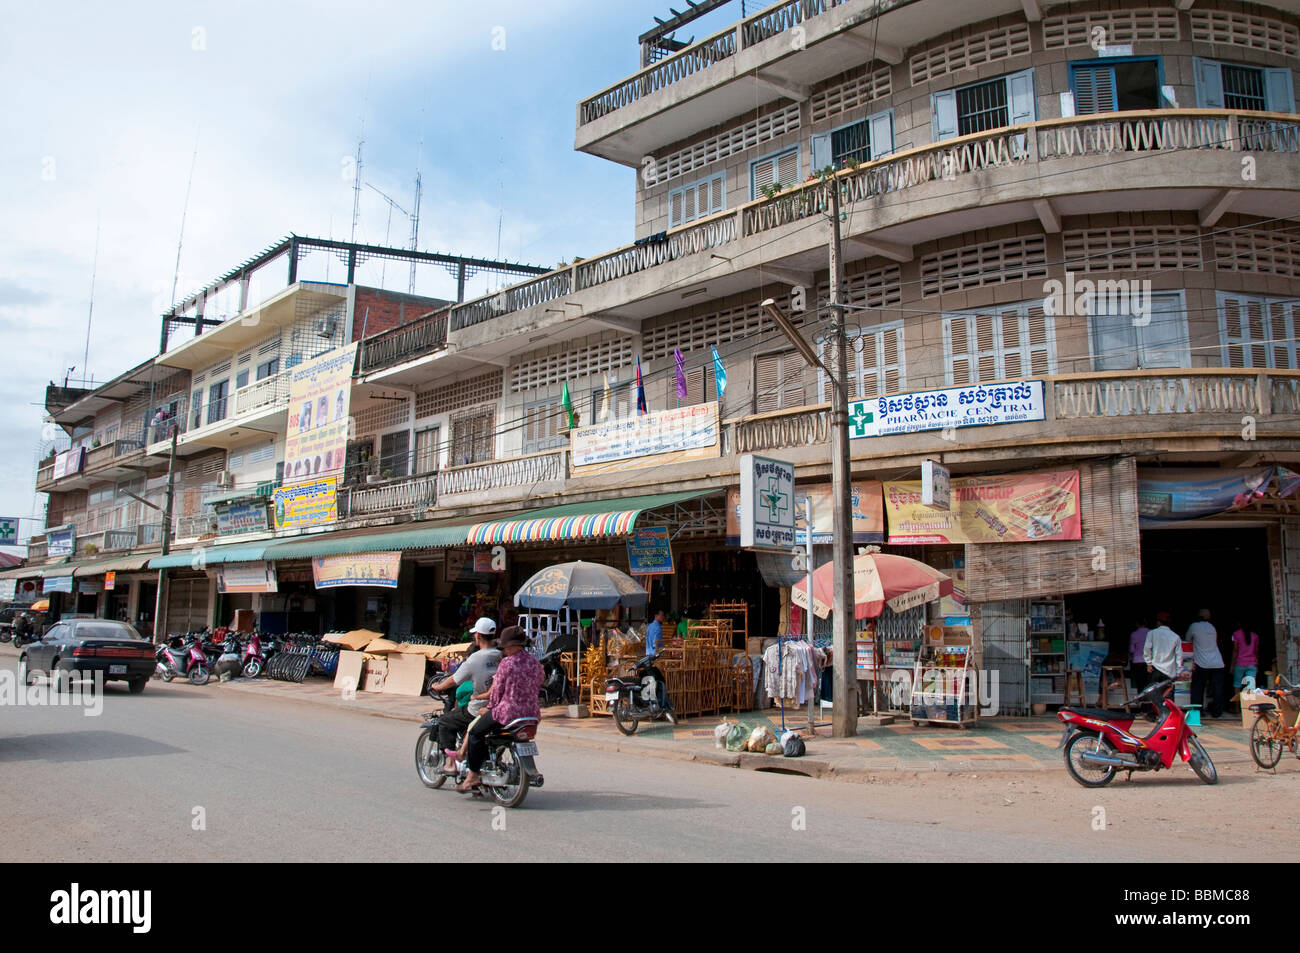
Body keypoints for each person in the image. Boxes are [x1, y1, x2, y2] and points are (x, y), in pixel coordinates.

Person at [457, 625, 543, 794]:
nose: (504, 650)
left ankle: (473, 774)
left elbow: (496, 691)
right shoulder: (534, 662)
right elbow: (541, 682)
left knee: (475, 732)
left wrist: (488, 708)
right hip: (532, 713)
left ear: (511, 646)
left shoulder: (507, 663)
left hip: (508, 712)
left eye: (505, 646)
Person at [430, 618, 500, 776]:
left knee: (445, 721)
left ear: (478, 637)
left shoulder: (475, 658)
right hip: (498, 705)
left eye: (475, 634)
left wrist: (438, 686)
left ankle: (450, 764)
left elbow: (454, 679)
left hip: (478, 708)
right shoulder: (500, 654)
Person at [1186, 608, 1225, 719]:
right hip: (1217, 662)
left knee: (1198, 687)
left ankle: (1197, 712)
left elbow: (1188, 639)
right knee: (1217, 688)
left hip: (1201, 662)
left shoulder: (1194, 626)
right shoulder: (1212, 628)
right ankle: (1217, 713)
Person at [1143, 611, 1184, 698]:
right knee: (1168, 696)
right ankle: (1168, 711)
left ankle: (1153, 711)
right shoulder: (1175, 636)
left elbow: (1147, 649)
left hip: (1155, 668)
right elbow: (1179, 656)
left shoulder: (1152, 633)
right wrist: (1178, 672)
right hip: (1169, 671)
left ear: (1158, 622)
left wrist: (1148, 663)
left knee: (1153, 694)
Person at [1229, 621, 1261, 700]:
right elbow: (1256, 651)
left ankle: (1237, 708)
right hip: (1252, 663)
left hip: (1240, 663)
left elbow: (1235, 650)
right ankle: (1249, 707)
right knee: (1250, 686)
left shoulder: (1236, 634)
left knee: (1237, 685)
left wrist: (1232, 665)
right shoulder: (1255, 636)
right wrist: (1257, 663)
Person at [1128, 617, 1151, 694]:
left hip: (1137, 661)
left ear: (1137, 624)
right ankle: (1148, 703)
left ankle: (1142, 702)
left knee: (1140, 684)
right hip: (1149, 662)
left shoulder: (1134, 634)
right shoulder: (1151, 633)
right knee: (1148, 684)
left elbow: (1132, 650)